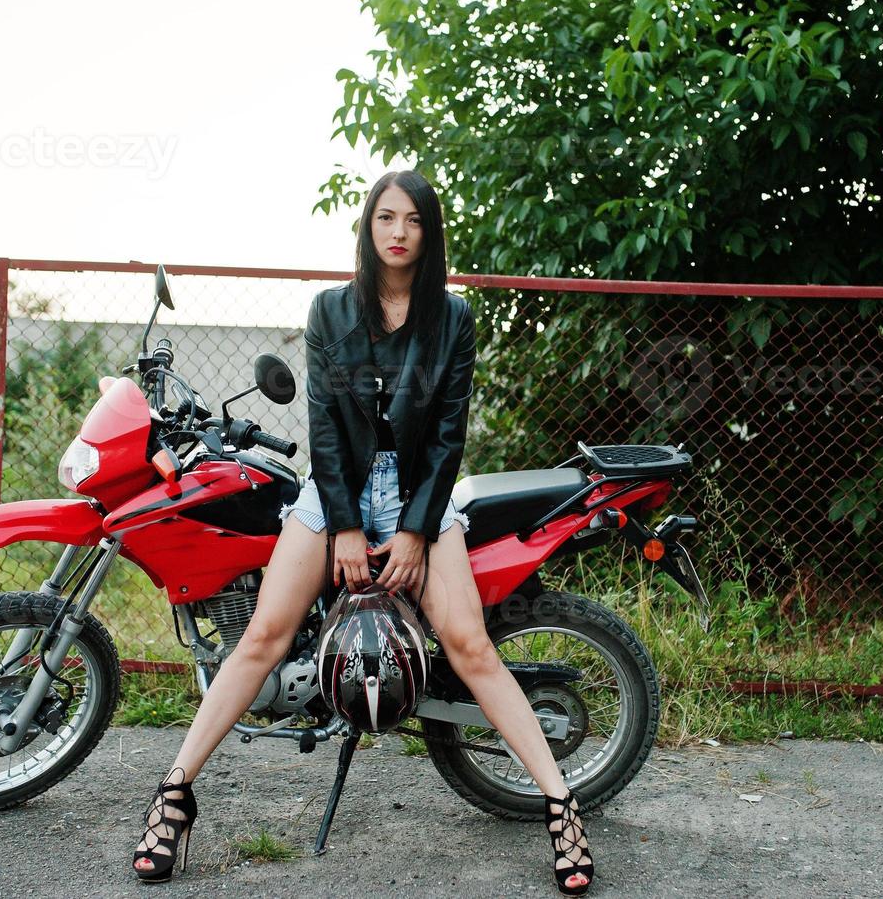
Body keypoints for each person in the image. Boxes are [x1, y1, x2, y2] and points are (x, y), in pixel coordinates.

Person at [131, 170, 594, 894]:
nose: (398, 231)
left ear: (428, 231)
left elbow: (447, 439)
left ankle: (560, 805)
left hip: (418, 492)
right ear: (368, 227)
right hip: (335, 490)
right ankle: (174, 795)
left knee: (470, 645)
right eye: (385, 217)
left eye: (412, 219)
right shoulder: (330, 311)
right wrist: (344, 527)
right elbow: (322, 426)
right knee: (261, 637)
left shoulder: (453, 319)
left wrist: (412, 533)